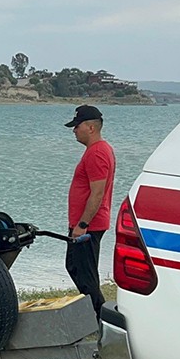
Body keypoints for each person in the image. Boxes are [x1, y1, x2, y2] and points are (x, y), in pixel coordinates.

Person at [63, 104, 116, 316]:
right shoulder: (96, 151)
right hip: (83, 224)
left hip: (88, 225)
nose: (74, 130)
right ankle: (96, 314)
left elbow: (97, 193)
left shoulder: (97, 153)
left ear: (91, 127)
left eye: (77, 125)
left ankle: (101, 317)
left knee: (84, 274)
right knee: (75, 266)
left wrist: (83, 224)